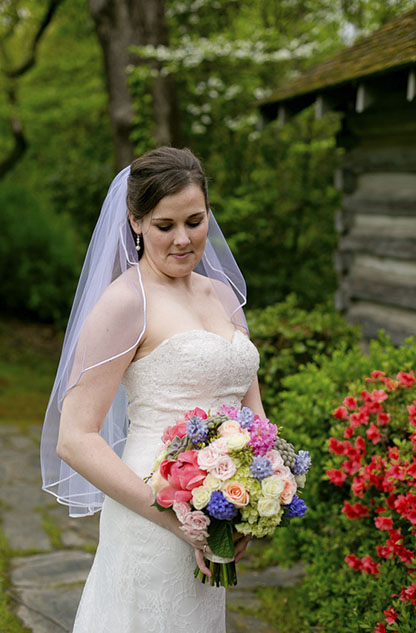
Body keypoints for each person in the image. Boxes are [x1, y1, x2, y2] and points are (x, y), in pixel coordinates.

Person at [40, 147, 260, 631]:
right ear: (136, 222)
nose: (183, 239)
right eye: (165, 226)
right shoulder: (124, 302)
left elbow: (254, 417)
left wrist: (253, 500)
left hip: (220, 505)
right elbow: (75, 438)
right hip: (150, 513)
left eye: (195, 221)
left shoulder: (222, 295)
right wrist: (178, 520)